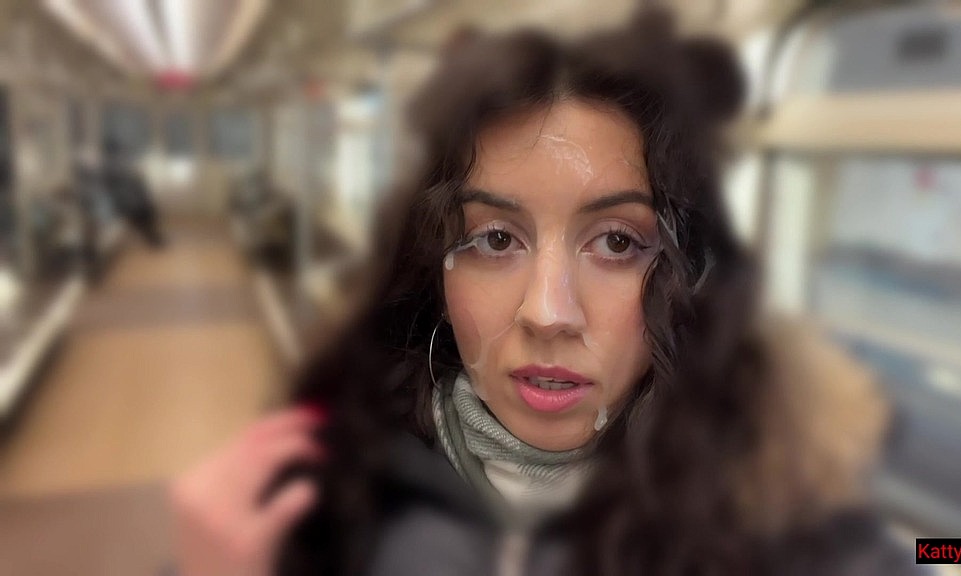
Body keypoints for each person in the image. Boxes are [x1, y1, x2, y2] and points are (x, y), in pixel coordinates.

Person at [171, 11, 921, 576]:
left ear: (693, 276)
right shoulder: (326, 485)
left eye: (618, 243)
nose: (548, 314)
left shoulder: (796, 522)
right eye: (496, 240)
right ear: (433, 265)